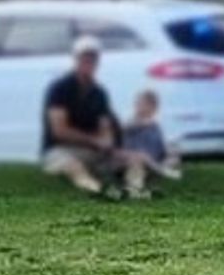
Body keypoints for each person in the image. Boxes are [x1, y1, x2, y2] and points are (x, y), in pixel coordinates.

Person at [41, 36, 148, 200]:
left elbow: (104, 127)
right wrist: (95, 141)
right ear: (76, 59)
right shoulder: (59, 88)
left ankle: (135, 193)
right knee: (73, 167)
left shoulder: (99, 93)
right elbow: (59, 130)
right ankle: (98, 191)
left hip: (92, 151)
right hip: (60, 150)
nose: (89, 62)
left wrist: (109, 144)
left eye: (93, 58)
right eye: (85, 58)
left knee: (135, 160)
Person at [120, 90, 183, 182]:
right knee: (141, 157)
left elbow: (161, 147)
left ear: (152, 107)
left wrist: (171, 153)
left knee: (174, 152)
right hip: (134, 160)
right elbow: (126, 128)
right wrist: (143, 123)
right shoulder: (131, 122)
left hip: (153, 161)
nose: (137, 106)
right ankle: (162, 171)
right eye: (138, 103)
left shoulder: (155, 127)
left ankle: (158, 170)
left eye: (141, 103)